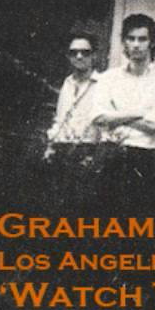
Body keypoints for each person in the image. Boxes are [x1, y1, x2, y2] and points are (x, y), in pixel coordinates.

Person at [90, 13, 155, 310]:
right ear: (124, 43)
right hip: (110, 155)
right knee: (105, 227)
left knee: (138, 230)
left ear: (152, 43)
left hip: (141, 157)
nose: (136, 45)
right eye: (131, 39)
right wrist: (139, 112)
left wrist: (119, 116)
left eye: (142, 39)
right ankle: (102, 306)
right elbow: (98, 116)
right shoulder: (107, 78)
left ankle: (133, 308)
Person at [43, 31, 101, 217]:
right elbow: (60, 118)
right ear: (68, 56)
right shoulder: (66, 83)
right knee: (59, 211)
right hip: (63, 151)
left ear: (94, 55)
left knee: (85, 213)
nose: (79, 56)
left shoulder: (103, 85)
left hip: (89, 153)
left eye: (85, 52)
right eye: (74, 52)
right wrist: (51, 145)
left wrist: (96, 155)